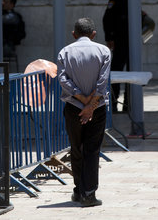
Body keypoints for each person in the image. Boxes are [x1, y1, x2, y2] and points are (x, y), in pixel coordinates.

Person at [57, 17, 111, 207]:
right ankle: (89, 193)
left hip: (73, 108)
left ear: (74, 34)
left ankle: (79, 190)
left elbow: (63, 79)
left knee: (76, 148)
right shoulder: (104, 51)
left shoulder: (64, 52)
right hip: (97, 108)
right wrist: (91, 105)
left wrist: (81, 99)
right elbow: (102, 81)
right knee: (92, 149)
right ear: (94, 34)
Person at [102, 0, 152, 113]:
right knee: (116, 72)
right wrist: (109, 38)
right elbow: (107, 20)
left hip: (133, 43)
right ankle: (113, 102)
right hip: (120, 42)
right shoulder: (116, 0)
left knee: (132, 73)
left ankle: (128, 103)